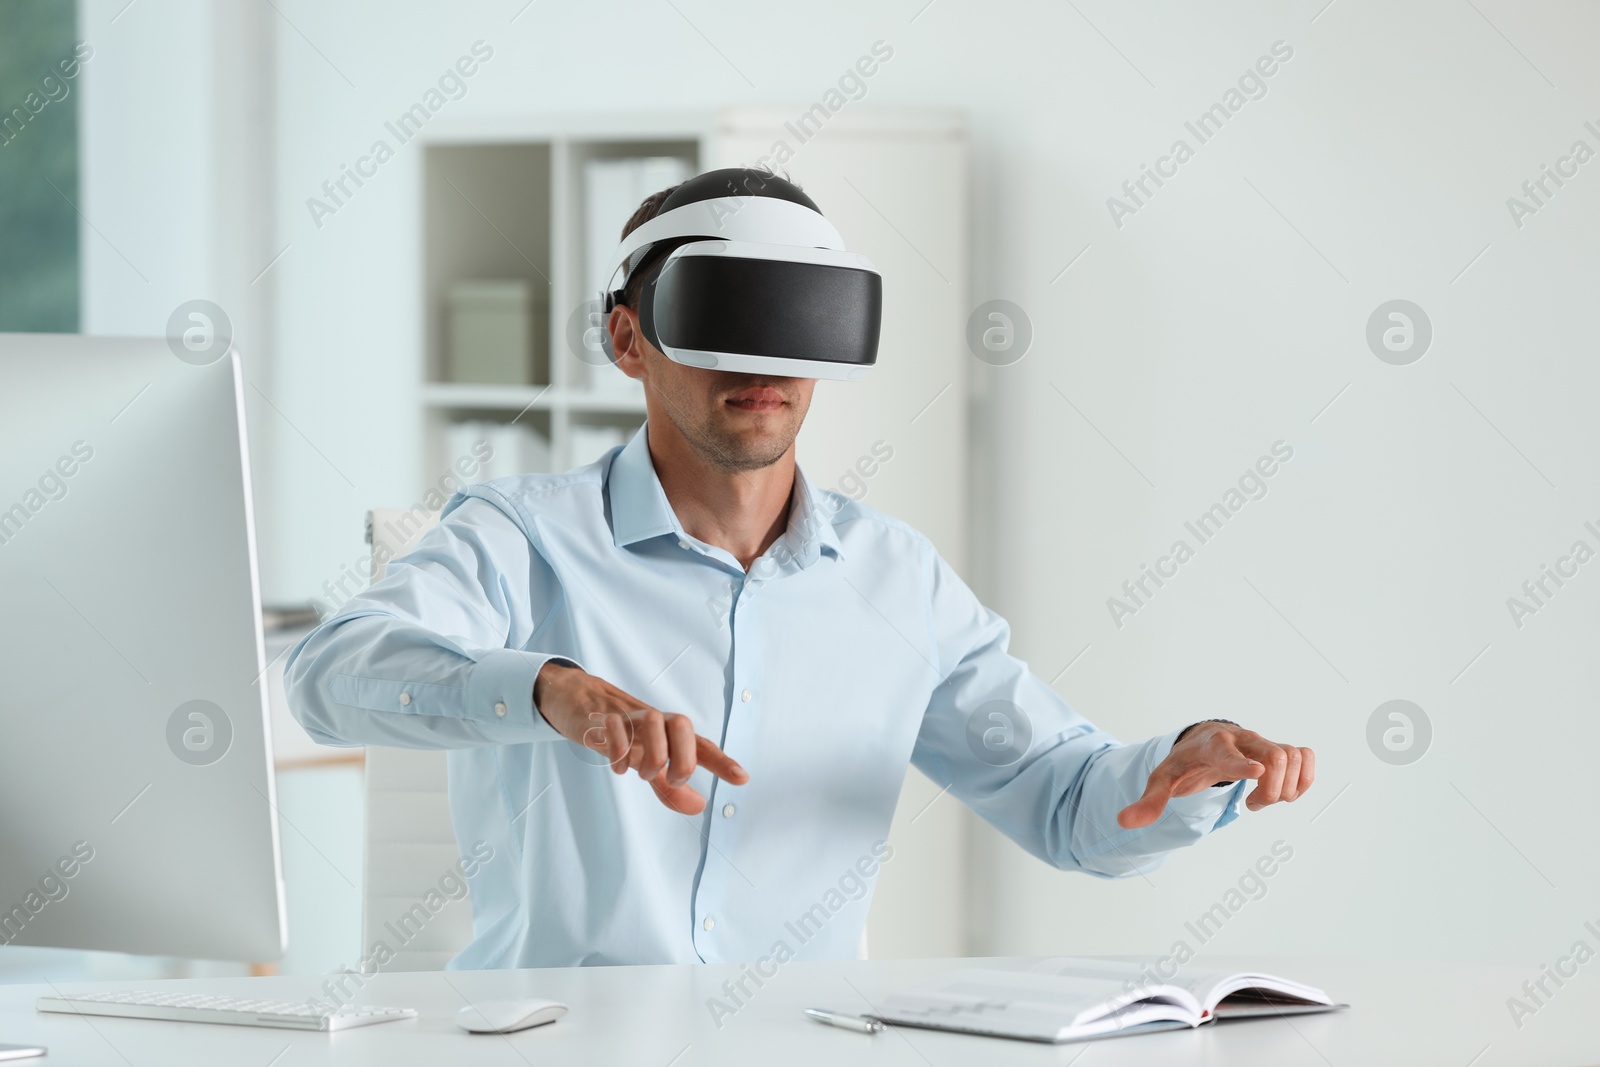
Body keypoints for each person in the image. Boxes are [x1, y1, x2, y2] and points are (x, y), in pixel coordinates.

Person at [285, 168, 1314, 970]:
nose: (763, 365)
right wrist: (547, 689)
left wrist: (1178, 767)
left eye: (794, 321)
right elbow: (329, 680)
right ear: (628, 340)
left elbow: (1064, 801)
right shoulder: (519, 536)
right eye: (723, 315)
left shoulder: (896, 580)